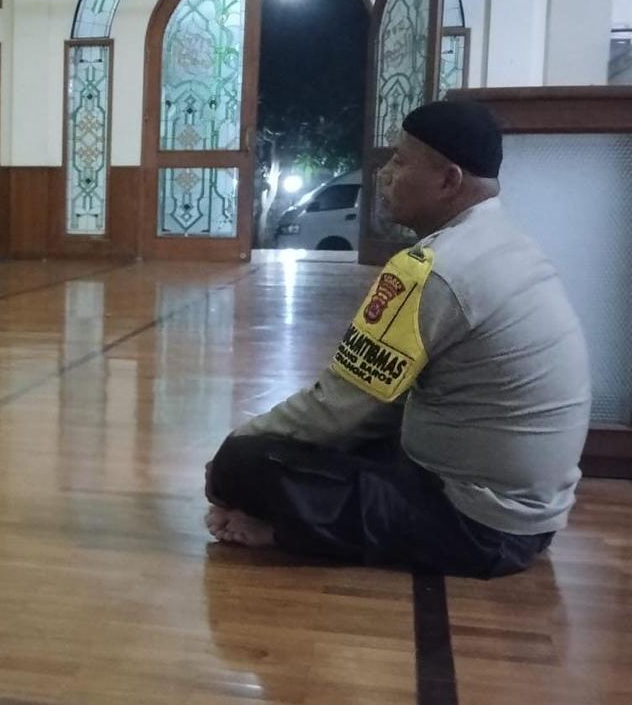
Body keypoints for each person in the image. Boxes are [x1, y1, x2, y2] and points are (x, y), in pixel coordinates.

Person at [205, 100, 591, 579]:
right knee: (347, 441)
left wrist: (232, 452)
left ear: (448, 181)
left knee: (244, 463)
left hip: (478, 526)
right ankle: (292, 525)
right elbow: (378, 402)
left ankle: (288, 531)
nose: (384, 174)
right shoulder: (505, 241)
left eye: (400, 161)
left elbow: (338, 407)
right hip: (533, 517)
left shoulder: (435, 269)